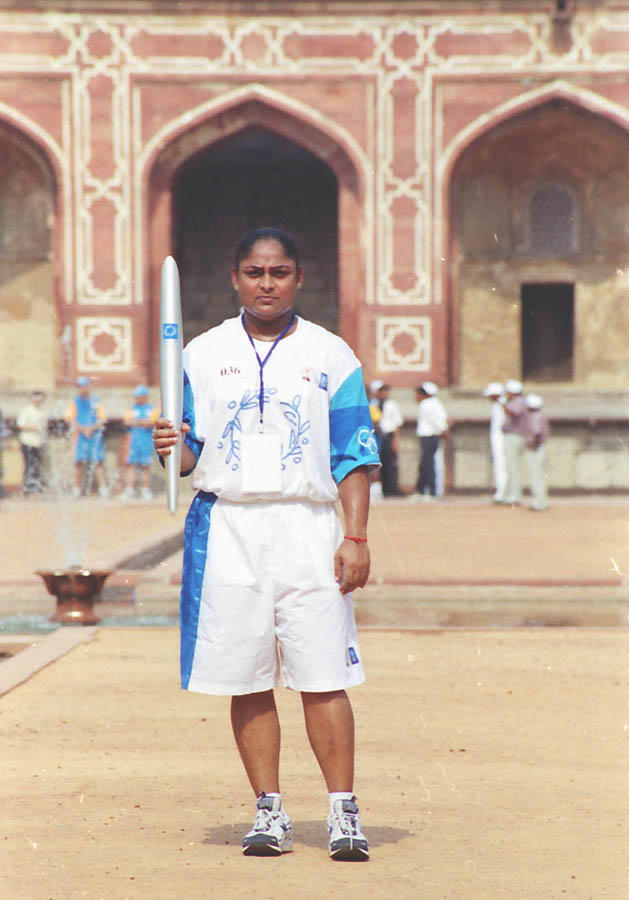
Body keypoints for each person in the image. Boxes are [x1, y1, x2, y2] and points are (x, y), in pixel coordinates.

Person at [153, 227, 379, 861]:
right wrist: (169, 447)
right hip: (229, 525)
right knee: (246, 673)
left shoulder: (331, 354)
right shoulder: (200, 354)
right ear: (236, 278)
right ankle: (269, 810)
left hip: (308, 525)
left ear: (298, 277)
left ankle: (342, 811)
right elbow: (188, 454)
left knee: (323, 672)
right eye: (254, 272)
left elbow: (353, 455)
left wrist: (355, 536)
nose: (267, 284)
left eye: (279, 273)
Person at [66, 376, 108, 498]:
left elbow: (102, 418)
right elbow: (70, 419)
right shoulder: (74, 402)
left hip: (94, 435)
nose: (82, 389)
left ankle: (103, 488)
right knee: (78, 462)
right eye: (80, 386)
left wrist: (92, 428)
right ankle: (76, 489)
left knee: (98, 462)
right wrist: (83, 429)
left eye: (84, 386)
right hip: (80, 436)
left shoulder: (96, 401)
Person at [121, 385, 158, 501]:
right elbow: (127, 421)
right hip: (133, 442)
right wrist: (143, 422)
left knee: (145, 466)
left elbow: (153, 422)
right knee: (131, 466)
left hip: (146, 441)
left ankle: (145, 489)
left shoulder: (152, 409)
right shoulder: (132, 408)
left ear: (145, 396)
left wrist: (137, 422)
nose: (137, 399)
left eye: (139, 396)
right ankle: (129, 490)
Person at [414, 381, 448, 499]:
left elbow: (435, 420)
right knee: (427, 463)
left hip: (429, 436)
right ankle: (425, 489)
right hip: (431, 436)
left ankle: (429, 490)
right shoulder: (436, 403)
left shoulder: (426, 404)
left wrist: (443, 430)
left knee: (428, 464)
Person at [373, 383, 403, 497]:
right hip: (377, 435)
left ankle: (390, 489)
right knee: (378, 462)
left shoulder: (392, 405)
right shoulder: (374, 404)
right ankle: (380, 488)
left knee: (390, 463)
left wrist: (395, 440)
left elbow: (397, 423)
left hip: (388, 434)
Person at [501, 379, 527, 506]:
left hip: (515, 436)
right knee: (510, 467)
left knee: (513, 467)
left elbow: (514, 413)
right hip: (512, 436)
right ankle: (509, 494)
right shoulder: (515, 402)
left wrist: (503, 405)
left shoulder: (518, 402)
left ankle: (515, 495)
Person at [17, 390, 48, 494]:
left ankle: (35, 485)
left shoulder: (42, 412)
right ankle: (27, 486)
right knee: (28, 464)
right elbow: (20, 425)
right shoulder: (27, 410)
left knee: (37, 464)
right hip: (28, 441)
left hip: (38, 442)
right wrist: (34, 428)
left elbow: (44, 427)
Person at [523, 393, 550, 511]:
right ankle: (541, 501)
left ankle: (538, 502)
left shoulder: (534, 417)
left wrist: (532, 445)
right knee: (540, 476)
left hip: (536, 449)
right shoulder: (540, 416)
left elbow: (536, 434)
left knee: (536, 476)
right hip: (540, 448)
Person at [483, 382, 506, 503]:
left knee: (500, 466)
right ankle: (501, 492)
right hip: (497, 437)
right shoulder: (497, 405)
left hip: (501, 437)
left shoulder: (502, 405)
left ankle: (502, 493)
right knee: (499, 465)